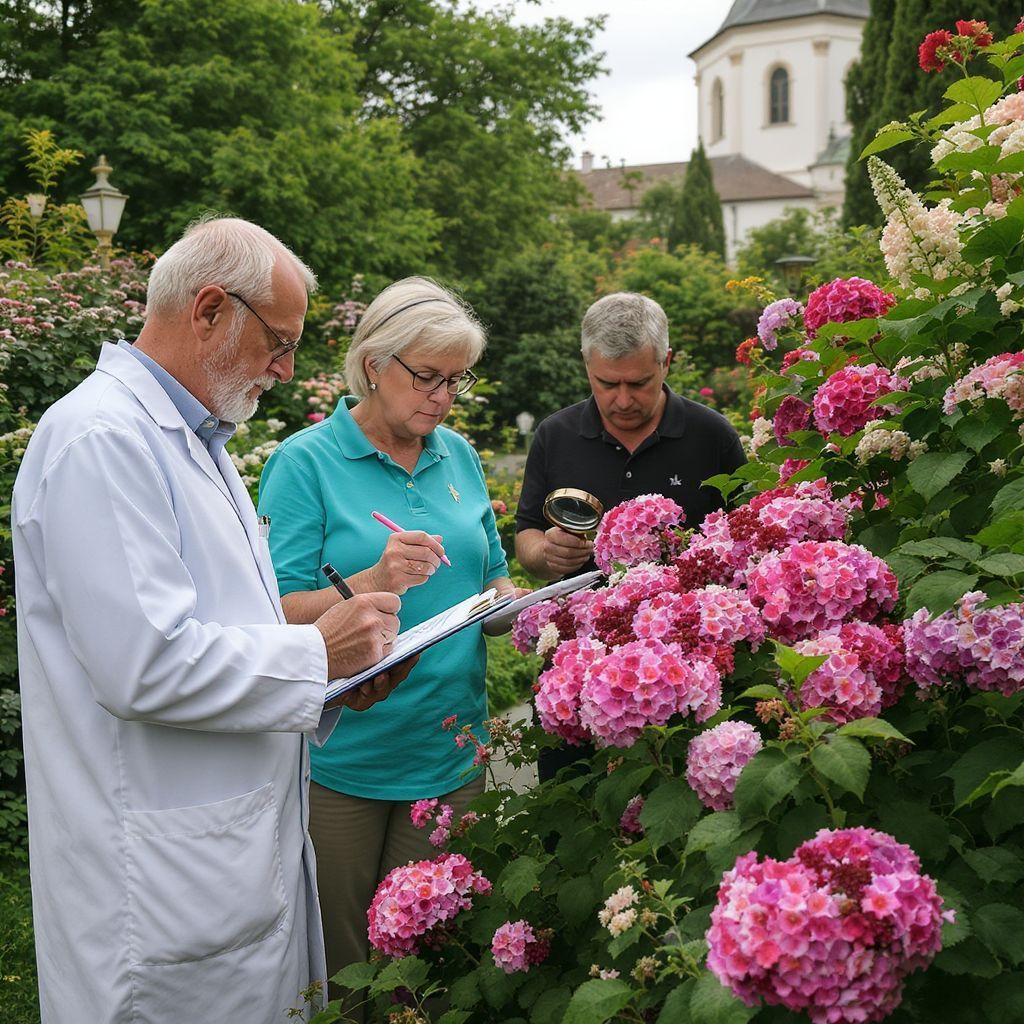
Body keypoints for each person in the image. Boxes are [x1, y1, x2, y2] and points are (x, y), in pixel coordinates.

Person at [12, 217, 413, 1024]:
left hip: (220, 872)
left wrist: (337, 682)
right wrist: (315, 654)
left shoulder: (197, 441)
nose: (287, 367)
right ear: (207, 310)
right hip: (156, 897)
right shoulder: (102, 439)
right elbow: (144, 662)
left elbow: (226, 631)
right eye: (279, 340)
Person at [257, 276, 518, 997]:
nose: (441, 397)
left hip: (452, 751)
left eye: (455, 381)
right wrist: (373, 577)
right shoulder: (304, 463)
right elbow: (272, 612)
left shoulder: (457, 456)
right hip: (346, 758)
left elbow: (490, 575)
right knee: (345, 972)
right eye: (426, 376)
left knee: (428, 967)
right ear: (374, 363)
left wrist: (527, 608)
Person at [515, 291, 746, 778]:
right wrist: (546, 552)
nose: (623, 400)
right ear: (586, 366)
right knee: (573, 809)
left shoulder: (712, 437)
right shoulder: (555, 437)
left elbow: (749, 543)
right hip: (579, 671)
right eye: (607, 383)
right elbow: (527, 537)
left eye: (639, 383)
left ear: (667, 362)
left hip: (687, 673)